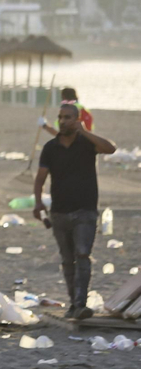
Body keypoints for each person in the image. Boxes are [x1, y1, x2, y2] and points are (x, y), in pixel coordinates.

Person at [34, 101, 116, 321]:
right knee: (67, 259)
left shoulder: (87, 144)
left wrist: (86, 132)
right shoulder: (50, 148)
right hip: (59, 212)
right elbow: (40, 179)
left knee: (82, 255)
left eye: (67, 118)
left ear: (77, 120)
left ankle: (80, 304)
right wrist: (38, 203)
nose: (62, 121)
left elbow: (110, 148)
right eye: (60, 117)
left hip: (85, 210)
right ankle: (73, 303)